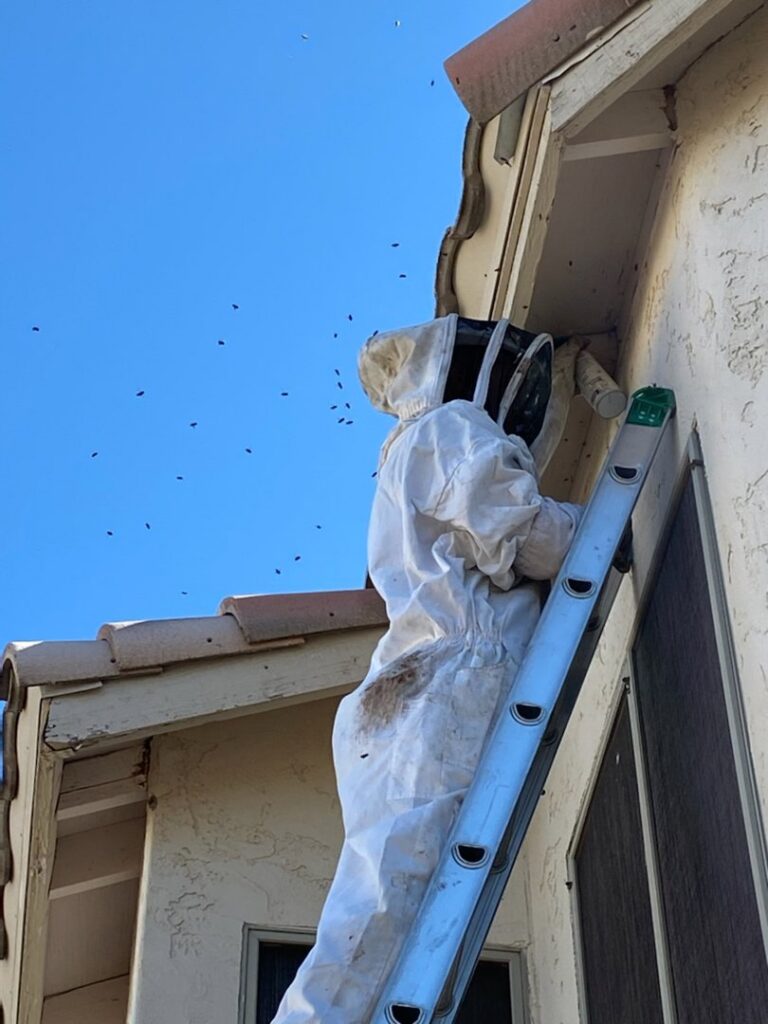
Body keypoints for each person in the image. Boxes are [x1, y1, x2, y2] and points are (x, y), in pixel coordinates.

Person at [272, 315, 583, 1024]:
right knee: (393, 887)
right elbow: (524, 532)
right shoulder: (448, 428)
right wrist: (592, 527)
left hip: (396, 697)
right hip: (449, 677)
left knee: (383, 888)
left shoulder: (403, 457)